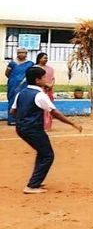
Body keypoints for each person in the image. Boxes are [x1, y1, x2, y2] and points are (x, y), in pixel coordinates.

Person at [11, 66, 82, 194]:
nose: (46, 79)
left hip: (21, 128)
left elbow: (13, 111)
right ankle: (32, 186)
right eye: (44, 77)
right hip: (33, 129)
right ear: (37, 80)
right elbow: (55, 113)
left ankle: (36, 181)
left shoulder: (21, 93)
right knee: (48, 155)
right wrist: (72, 123)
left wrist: (23, 119)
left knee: (43, 152)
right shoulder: (40, 95)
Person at [5, 47, 34, 126]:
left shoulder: (30, 63)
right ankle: (12, 119)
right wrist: (14, 80)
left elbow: (31, 73)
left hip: (25, 84)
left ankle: (23, 119)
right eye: (19, 52)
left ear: (26, 54)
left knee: (24, 101)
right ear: (17, 54)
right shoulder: (12, 63)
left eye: (23, 52)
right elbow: (7, 73)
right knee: (12, 100)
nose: (21, 54)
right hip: (13, 85)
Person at [35, 53, 55, 131]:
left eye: (47, 58)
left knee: (48, 107)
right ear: (39, 59)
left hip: (49, 91)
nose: (46, 59)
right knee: (40, 107)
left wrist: (51, 85)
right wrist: (46, 85)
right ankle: (39, 125)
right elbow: (35, 79)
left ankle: (47, 125)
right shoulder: (35, 68)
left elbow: (53, 78)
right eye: (44, 58)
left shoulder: (50, 68)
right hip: (39, 90)